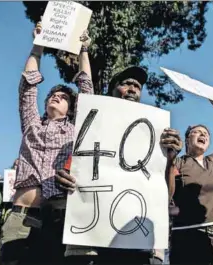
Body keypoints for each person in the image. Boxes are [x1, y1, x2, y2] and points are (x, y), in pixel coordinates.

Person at [0, 21, 93, 265]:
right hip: (21, 216)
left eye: (63, 98)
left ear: (70, 109)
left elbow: (87, 91)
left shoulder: (76, 130)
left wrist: (83, 50)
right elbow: (28, 86)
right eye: (53, 95)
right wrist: (38, 45)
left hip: (59, 219)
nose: (56, 98)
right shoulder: (32, 124)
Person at [56, 66, 166, 264]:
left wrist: (171, 156)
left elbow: (166, 190)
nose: (133, 88)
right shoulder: (93, 124)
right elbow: (72, 170)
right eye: (126, 84)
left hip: (133, 238)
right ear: (112, 90)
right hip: (91, 239)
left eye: (137, 86)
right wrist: (64, 178)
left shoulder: (153, 134)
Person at [161, 100, 213, 264]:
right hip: (189, 241)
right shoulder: (177, 162)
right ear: (186, 140)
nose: (203, 134)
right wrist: (170, 162)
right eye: (197, 132)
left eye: (206, 133)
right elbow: (166, 194)